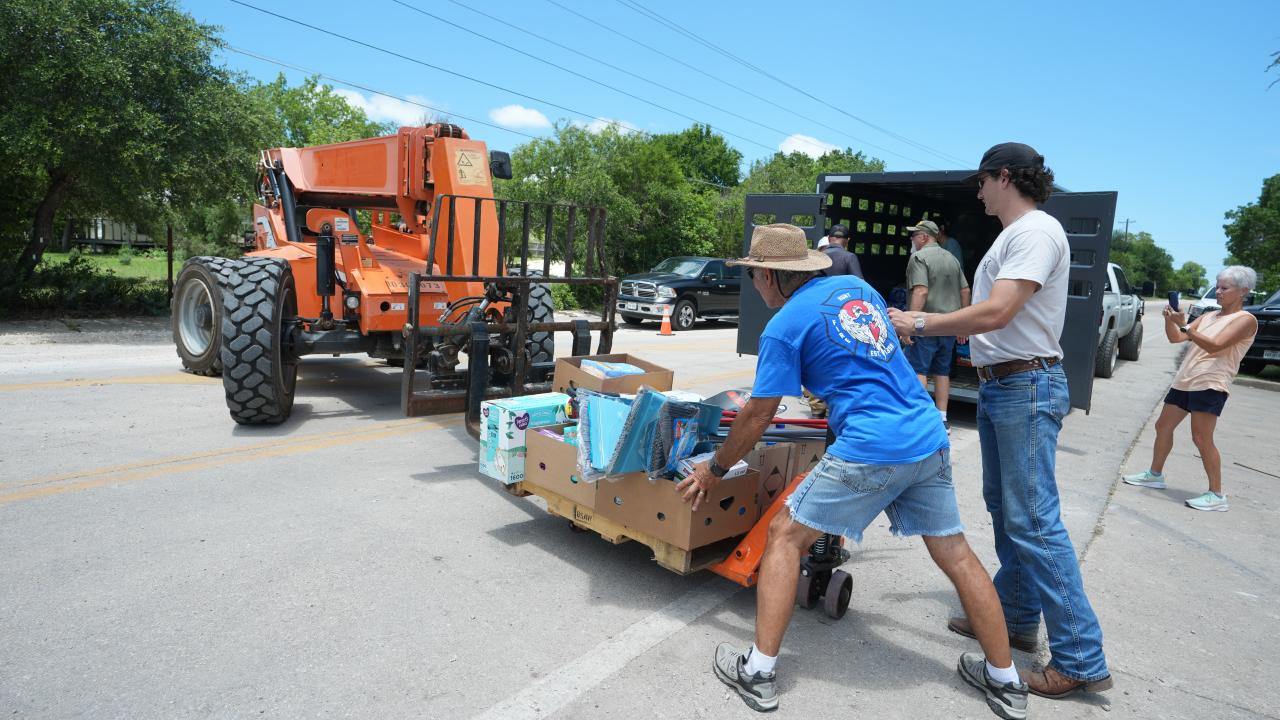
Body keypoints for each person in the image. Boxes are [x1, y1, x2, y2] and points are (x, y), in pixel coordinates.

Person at [679, 223, 1029, 717]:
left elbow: (758, 415)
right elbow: (875, 352)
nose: (753, 285)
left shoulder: (782, 327)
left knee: (785, 536)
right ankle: (1006, 680)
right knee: (955, 553)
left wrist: (714, 469)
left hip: (872, 445)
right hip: (926, 433)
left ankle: (757, 672)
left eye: (753, 275)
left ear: (768, 275)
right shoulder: (857, 289)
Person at [888, 142, 1112, 699]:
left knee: (1033, 521)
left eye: (982, 182)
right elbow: (991, 313)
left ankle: (1080, 658)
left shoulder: (1035, 232)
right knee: (1009, 513)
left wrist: (919, 322)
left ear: (1004, 177)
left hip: (1024, 386)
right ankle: (1013, 617)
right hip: (1004, 385)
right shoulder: (1014, 235)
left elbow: (999, 310)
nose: (979, 192)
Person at [1122, 266, 1259, 511]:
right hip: (1186, 380)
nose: (1218, 291)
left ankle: (1216, 495)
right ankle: (1155, 475)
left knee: (1201, 438)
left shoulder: (1245, 320)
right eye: (1217, 286)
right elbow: (1176, 338)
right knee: (1163, 426)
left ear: (1243, 292)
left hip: (1210, 383)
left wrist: (1185, 325)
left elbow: (1215, 345)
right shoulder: (1209, 316)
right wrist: (1170, 321)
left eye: (1224, 288)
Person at [904, 219, 971, 431]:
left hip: (925, 325)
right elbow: (965, 291)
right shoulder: (951, 258)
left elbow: (921, 290)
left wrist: (910, 323)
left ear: (924, 237)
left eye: (914, 235)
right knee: (942, 372)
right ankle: (942, 419)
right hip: (948, 325)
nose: (912, 239)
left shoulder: (919, 257)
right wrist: (962, 323)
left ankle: (920, 418)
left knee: (918, 369)